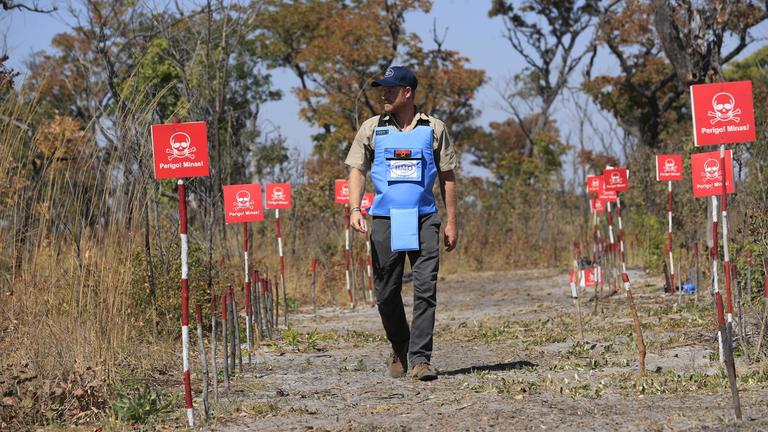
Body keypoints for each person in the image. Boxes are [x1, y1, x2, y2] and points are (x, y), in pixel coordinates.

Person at [345, 65, 458, 381]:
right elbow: (357, 170)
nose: (384, 94)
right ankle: (400, 343)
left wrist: (451, 222)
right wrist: (355, 209)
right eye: (382, 88)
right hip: (385, 220)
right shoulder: (372, 128)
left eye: (390, 89)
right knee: (385, 292)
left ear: (407, 92)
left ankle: (421, 359)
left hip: (424, 220)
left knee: (425, 288)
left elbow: (448, 177)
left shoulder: (434, 128)